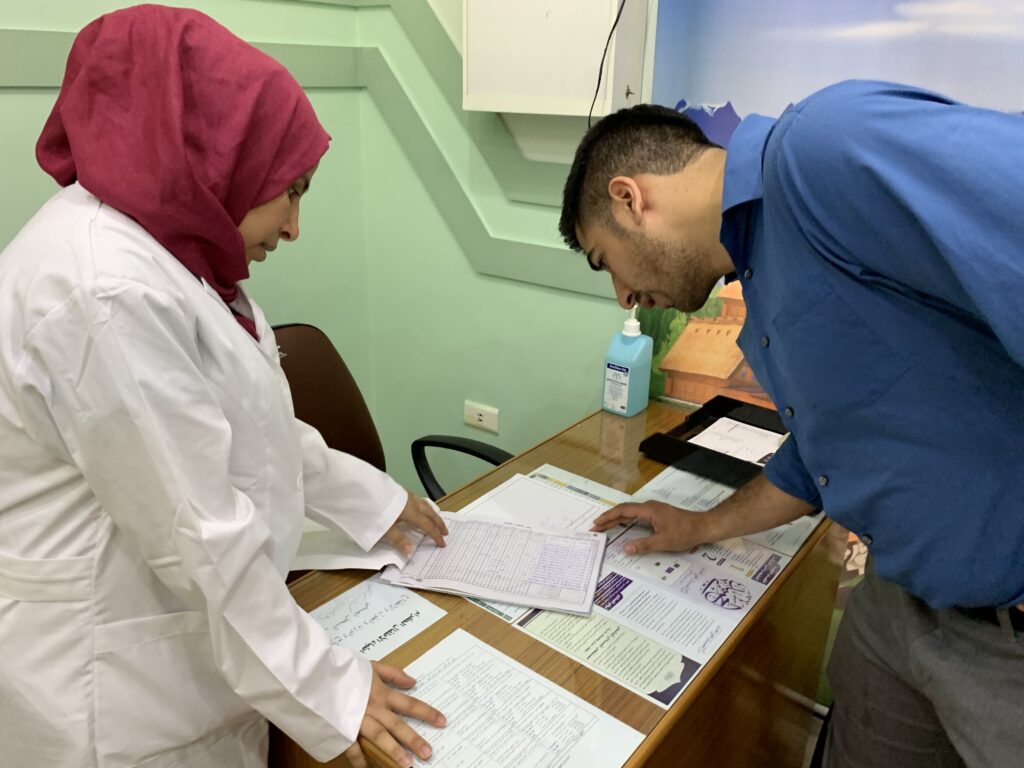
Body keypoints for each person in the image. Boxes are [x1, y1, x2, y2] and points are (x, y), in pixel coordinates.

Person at [0, 6, 448, 768]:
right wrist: (338, 690)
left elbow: (255, 428)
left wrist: (375, 500)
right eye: (292, 191)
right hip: (106, 691)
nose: (296, 225)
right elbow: (198, 534)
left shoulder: (173, 248)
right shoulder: (103, 288)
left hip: (184, 647)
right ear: (218, 155)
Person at [561, 81, 1024, 767]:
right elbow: (824, 453)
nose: (624, 296)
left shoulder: (821, 150)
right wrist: (702, 525)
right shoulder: (760, 266)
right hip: (899, 603)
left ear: (630, 199)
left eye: (606, 262)